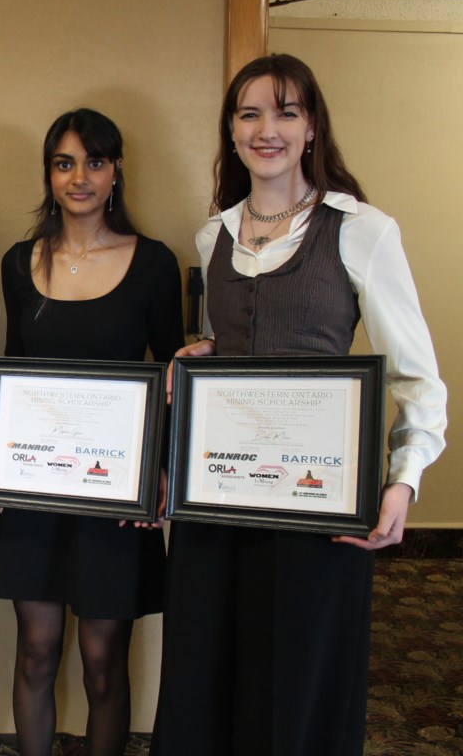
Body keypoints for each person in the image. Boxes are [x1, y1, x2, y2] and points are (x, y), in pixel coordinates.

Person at [150, 54, 448, 756]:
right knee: (206, 679)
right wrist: (201, 355)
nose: (268, 129)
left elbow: (418, 376)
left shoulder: (361, 229)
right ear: (230, 130)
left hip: (318, 506)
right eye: (250, 113)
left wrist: (403, 479)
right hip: (216, 502)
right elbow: (235, 346)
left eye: (286, 111)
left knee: (298, 689)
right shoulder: (212, 235)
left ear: (311, 126)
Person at [0, 109, 182, 756]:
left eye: (95, 161)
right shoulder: (19, 263)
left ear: (117, 169)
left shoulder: (153, 264)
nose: (80, 177)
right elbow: (14, 375)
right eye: (65, 162)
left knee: (102, 660)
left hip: (115, 496)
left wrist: (162, 471)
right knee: (36, 651)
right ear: (49, 173)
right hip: (35, 489)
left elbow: (176, 377)